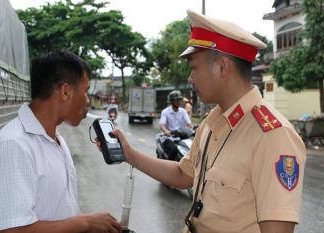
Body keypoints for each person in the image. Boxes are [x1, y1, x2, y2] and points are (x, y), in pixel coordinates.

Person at [99, 9, 306, 233]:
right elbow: (182, 174)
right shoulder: (212, 122)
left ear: (222, 67)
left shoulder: (272, 135)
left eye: (194, 68)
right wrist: (130, 155)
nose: (190, 78)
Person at [0, 51, 121, 233]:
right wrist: (85, 223)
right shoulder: (12, 146)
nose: (87, 101)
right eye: (85, 92)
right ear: (65, 92)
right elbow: (11, 231)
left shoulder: (55, 139)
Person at [159, 90, 193, 160]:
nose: (178, 102)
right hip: (169, 138)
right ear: (172, 101)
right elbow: (162, 124)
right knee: (173, 150)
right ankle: (169, 167)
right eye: (176, 100)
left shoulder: (183, 111)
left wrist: (192, 129)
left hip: (181, 136)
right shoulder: (165, 111)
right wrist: (166, 131)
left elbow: (189, 123)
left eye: (179, 100)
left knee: (191, 149)